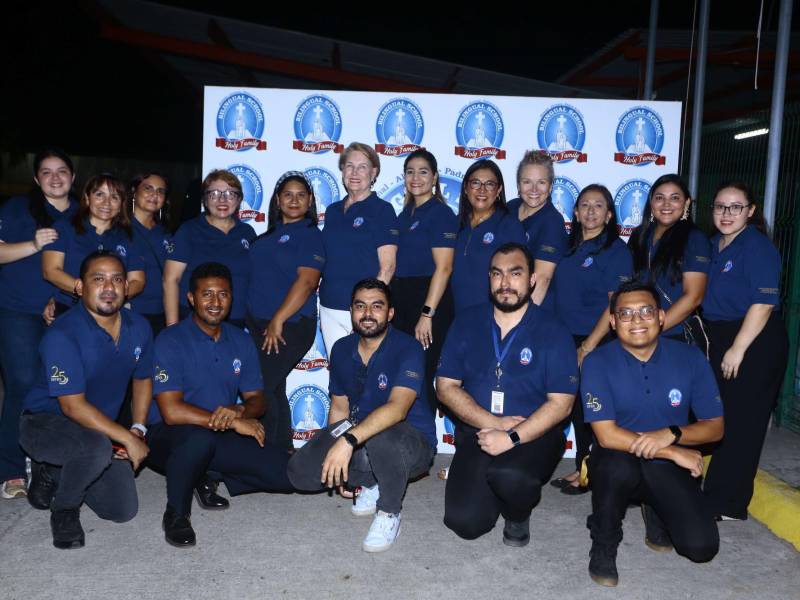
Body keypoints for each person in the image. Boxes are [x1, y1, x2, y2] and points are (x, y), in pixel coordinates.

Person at [581, 281, 723, 587]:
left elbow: (715, 426)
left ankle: (656, 509)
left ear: (661, 316)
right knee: (615, 466)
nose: (636, 320)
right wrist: (670, 448)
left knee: (701, 548)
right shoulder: (596, 363)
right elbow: (606, 436)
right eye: (626, 313)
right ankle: (604, 542)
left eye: (646, 311)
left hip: (665, 469)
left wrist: (671, 433)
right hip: (618, 458)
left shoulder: (690, 358)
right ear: (613, 321)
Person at [436, 243, 577, 546]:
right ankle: (492, 487)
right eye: (497, 274)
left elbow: (562, 404)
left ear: (532, 280)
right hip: (481, 430)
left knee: (512, 477)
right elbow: (445, 387)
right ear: (489, 279)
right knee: (465, 523)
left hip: (537, 434)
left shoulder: (554, 330)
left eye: (515, 274)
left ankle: (517, 515)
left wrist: (512, 436)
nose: (505, 283)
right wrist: (496, 424)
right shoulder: (466, 322)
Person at [146, 262, 294, 548]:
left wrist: (241, 411)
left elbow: (257, 400)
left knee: (287, 475)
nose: (215, 302)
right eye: (207, 294)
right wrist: (237, 421)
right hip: (169, 437)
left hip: (219, 432)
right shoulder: (170, 339)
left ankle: (205, 473)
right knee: (198, 441)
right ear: (191, 298)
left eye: (223, 294)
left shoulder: (240, 339)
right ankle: (176, 514)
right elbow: (171, 411)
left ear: (231, 298)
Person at [288, 279, 436, 553]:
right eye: (360, 306)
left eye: (377, 306)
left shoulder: (408, 348)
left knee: (382, 436)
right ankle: (371, 481)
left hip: (410, 443)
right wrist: (336, 450)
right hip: (362, 438)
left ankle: (389, 512)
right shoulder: (342, 348)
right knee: (300, 472)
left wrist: (347, 443)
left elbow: (398, 409)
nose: (368, 313)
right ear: (352, 311)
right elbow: (340, 408)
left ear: (390, 313)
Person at [19, 251, 153, 549]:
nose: (109, 287)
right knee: (94, 449)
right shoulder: (63, 334)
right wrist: (123, 439)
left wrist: (138, 429)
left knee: (121, 509)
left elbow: (143, 378)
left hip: (95, 429)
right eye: (98, 279)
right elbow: (72, 406)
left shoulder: (140, 327)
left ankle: (55, 471)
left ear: (127, 287)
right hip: (44, 423)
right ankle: (64, 509)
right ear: (80, 287)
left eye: (117, 279)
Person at [702, 182, 789, 521]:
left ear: (751, 211)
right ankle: (720, 494)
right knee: (724, 418)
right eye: (721, 206)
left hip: (755, 340)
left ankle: (727, 502)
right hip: (723, 336)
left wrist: (738, 349)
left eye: (735, 207)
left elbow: (764, 302)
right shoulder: (713, 245)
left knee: (743, 423)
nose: (726, 214)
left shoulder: (757, 247)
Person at [0, 148, 78, 499]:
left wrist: (64, 297)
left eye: (62, 171)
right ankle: (12, 469)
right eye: (46, 172)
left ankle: (54, 462)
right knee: (21, 383)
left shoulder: (84, 212)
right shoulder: (17, 209)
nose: (55, 177)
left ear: (73, 177)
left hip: (66, 310)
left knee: (61, 387)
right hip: (18, 310)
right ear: (36, 178)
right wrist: (33, 244)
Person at [549, 184, 633, 495]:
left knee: (593, 408)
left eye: (599, 206)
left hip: (596, 340)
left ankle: (593, 473)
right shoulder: (568, 247)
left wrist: (589, 345)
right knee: (574, 408)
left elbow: (615, 303)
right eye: (584, 205)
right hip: (563, 338)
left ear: (610, 214)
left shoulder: (616, 251)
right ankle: (582, 468)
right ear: (575, 212)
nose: (591, 211)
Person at [246, 171, 325, 451]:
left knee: (261, 386)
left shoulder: (310, 235)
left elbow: (307, 282)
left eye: (301, 195)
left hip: (289, 324)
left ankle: (267, 452)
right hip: (258, 323)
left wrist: (278, 319)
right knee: (274, 387)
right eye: (288, 194)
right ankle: (283, 452)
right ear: (278, 200)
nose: (294, 200)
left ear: (310, 201)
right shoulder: (266, 237)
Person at [391, 149, 457, 414]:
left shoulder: (441, 214)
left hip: (428, 301)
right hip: (401, 300)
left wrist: (427, 314)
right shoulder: (405, 214)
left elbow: (444, 268)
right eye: (410, 171)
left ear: (435, 177)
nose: (415, 177)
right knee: (404, 376)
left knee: (421, 372)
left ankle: (424, 443)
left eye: (423, 171)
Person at [319, 142, 398, 353]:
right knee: (339, 375)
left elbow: (388, 267)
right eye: (349, 166)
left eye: (362, 167)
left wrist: (365, 309)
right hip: (329, 307)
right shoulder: (333, 211)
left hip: (364, 311)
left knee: (367, 376)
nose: (355, 172)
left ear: (374, 173)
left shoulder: (382, 210)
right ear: (342, 170)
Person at [163, 169, 256, 328]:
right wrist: (173, 328)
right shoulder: (189, 231)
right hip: (195, 321)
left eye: (230, 193)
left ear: (239, 200)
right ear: (205, 200)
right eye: (214, 193)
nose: (222, 199)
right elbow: (170, 280)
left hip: (236, 322)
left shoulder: (247, 233)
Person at [42, 174, 145, 317]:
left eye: (114, 197)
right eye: (99, 194)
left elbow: (138, 281)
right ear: (87, 198)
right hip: (69, 308)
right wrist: (90, 293)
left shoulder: (128, 236)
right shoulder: (64, 227)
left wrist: (112, 297)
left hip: (111, 312)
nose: (106, 203)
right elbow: (51, 271)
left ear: (121, 204)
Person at [628, 174, 710, 351]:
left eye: (675, 198)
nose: (666, 204)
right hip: (635, 332)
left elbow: (694, 297)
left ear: (686, 203)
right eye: (659, 198)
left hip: (673, 335)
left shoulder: (694, 239)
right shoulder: (639, 236)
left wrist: (653, 329)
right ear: (651, 202)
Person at [451, 160, 526, 315]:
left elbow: (519, 278)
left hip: (494, 316)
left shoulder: (509, 225)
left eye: (490, 184)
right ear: (465, 188)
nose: (482, 190)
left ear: (498, 190)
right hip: (455, 317)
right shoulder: (455, 223)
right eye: (475, 183)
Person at [506, 150, 568, 306]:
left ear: (550, 186)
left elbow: (542, 279)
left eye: (541, 182)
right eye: (527, 182)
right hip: (505, 303)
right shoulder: (508, 209)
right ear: (518, 185)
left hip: (533, 311)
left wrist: (521, 319)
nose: (534, 189)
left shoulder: (552, 221)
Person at [129, 172, 172, 336]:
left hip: (162, 315)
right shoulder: (118, 229)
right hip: (129, 314)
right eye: (148, 188)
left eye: (161, 191)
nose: (155, 195)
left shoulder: (167, 233)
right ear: (134, 191)